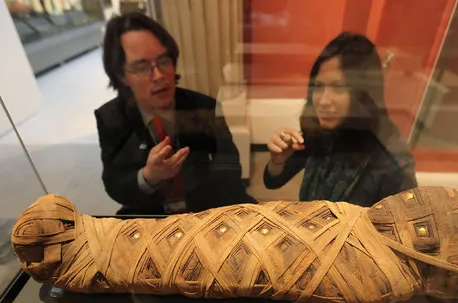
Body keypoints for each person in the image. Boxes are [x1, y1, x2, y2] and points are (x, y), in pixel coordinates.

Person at [95, 12, 255, 215]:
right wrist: (148, 176)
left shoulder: (203, 106)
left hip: (205, 210)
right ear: (121, 76)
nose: (159, 76)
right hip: (150, 214)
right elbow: (115, 184)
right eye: (142, 67)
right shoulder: (111, 118)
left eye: (163, 61)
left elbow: (230, 167)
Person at [263, 32, 418, 207]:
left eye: (337, 87)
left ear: (363, 92)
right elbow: (273, 181)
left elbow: (404, 227)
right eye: (319, 86)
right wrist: (277, 160)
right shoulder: (326, 128)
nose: (322, 101)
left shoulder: (391, 158)